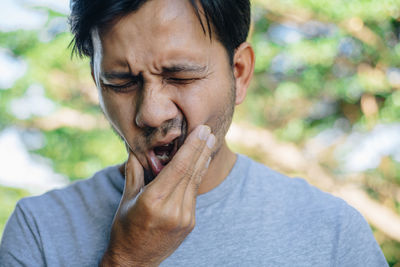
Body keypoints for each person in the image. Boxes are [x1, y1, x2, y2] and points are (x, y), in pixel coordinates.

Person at [0, 0, 388, 266]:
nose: (151, 113)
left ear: (239, 73)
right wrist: (128, 259)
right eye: (120, 82)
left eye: (180, 75)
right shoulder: (39, 231)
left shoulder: (332, 232)